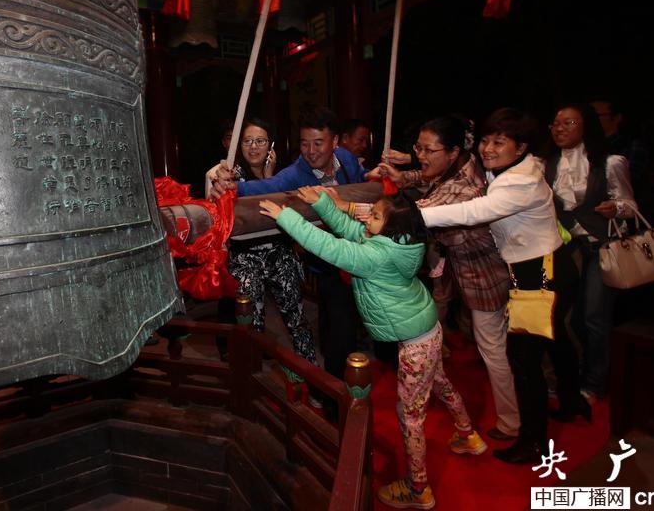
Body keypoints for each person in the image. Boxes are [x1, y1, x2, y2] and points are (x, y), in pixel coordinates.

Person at [260, 186, 487, 510]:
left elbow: (331, 247)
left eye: (376, 216)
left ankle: (418, 489)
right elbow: (351, 231)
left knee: (410, 415)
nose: (368, 218)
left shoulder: (377, 256)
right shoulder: (400, 242)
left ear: (391, 226)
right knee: (440, 381)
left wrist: (288, 218)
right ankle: (467, 435)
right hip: (426, 329)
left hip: (415, 342)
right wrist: (322, 203)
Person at [414, 108, 585, 465]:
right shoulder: (511, 169)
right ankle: (572, 402)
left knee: (524, 359)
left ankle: (534, 442)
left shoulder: (519, 182)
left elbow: (474, 211)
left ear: (520, 147)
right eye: (485, 141)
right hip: (547, 266)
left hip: (539, 273)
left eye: (499, 142)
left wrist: (415, 216)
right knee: (556, 343)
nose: (488, 149)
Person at [371, 115, 519, 441]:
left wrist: (341, 206)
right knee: (482, 338)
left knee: (492, 348)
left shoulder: (462, 187)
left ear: (453, 151)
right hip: (459, 268)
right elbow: (428, 177)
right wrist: (403, 176)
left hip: (483, 274)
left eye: (429, 150)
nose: (421, 156)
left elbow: (413, 216)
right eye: (418, 148)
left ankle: (511, 422)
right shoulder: (460, 164)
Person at [210, 107, 367, 387]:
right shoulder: (294, 173)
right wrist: (227, 186)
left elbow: (362, 182)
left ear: (334, 142)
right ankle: (334, 389)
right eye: (304, 144)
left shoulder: (346, 159)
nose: (310, 151)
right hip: (324, 255)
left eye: (318, 143)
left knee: (322, 318)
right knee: (333, 319)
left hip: (357, 246)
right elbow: (264, 188)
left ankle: (323, 374)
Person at [204, 118, 316, 367]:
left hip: (279, 251)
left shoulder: (282, 174)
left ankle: (310, 373)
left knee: (297, 318)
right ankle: (250, 377)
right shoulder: (231, 173)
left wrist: (269, 176)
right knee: (250, 323)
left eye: (260, 141)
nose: (254, 147)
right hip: (245, 257)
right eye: (247, 141)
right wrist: (219, 183)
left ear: (270, 145)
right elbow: (218, 188)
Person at [544, 103, 635, 405]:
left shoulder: (610, 163)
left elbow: (630, 206)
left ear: (586, 126)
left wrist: (616, 208)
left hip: (600, 248)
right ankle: (568, 374)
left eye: (568, 123)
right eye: (556, 123)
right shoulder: (547, 165)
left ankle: (595, 383)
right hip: (567, 249)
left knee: (594, 316)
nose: (560, 128)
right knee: (563, 316)